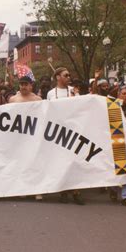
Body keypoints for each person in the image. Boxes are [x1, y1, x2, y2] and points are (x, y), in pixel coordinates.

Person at [47, 67, 84, 205]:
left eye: (69, 75)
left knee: (74, 162)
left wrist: (76, 96)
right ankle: (63, 191)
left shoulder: (73, 92)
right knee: (61, 162)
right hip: (58, 132)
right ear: (57, 77)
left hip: (73, 130)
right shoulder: (51, 93)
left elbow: (80, 109)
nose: (69, 77)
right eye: (66, 75)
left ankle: (76, 192)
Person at [9, 76, 43, 200]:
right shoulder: (13, 99)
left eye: (26, 84)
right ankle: (22, 188)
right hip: (18, 136)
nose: (23, 86)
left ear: (31, 85)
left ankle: (37, 190)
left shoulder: (38, 99)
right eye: (21, 84)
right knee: (21, 163)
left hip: (34, 134)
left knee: (34, 162)